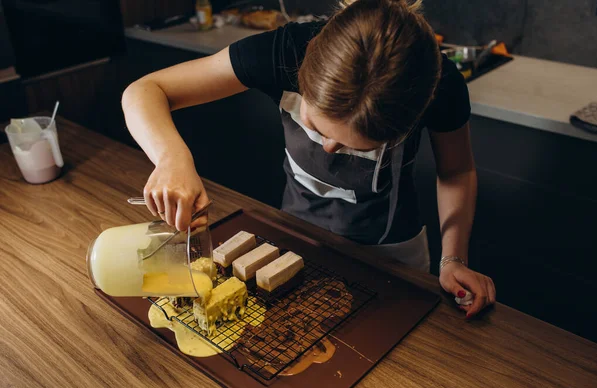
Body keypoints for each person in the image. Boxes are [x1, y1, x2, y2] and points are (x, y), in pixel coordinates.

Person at [121, 0, 496, 317]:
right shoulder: (283, 51)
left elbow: (457, 172)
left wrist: (454, 260)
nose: (329, 149)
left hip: (392, 257)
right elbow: (146, 90)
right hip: (293, 235)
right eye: (319, 127)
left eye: (357, 147)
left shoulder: (439, 85)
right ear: (303, 73)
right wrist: (172, 159)